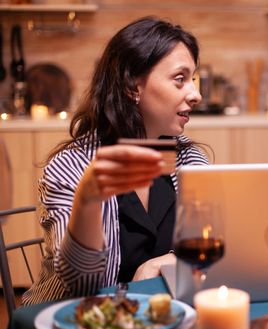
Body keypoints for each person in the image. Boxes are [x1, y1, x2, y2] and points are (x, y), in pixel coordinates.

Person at [23, 17, 208, 305]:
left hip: (158, 317)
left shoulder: (186, 158)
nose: (196, 95)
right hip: (75, 321)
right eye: (180, 79)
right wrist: (89, 198)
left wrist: (165, 261)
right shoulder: (71, 166)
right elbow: (83, 283)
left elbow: (207, 242)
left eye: (193, 79)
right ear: (133, 86)